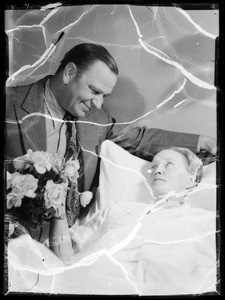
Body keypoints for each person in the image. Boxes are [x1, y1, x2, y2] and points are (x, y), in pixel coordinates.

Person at [5, 43, 216, 240]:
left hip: (69, 243)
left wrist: (202, 141)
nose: (98, 103)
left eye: (104, 96)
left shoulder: (97, 118)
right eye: (95, 91)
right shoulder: (9, 103)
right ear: (69, 73)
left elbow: (139, 138)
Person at [7, 146, 217, 295]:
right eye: (153, 166)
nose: (157, 170)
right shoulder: (118, 209)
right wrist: (59, 210)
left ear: (192, 179)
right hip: (79, 283)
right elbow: (65, 257)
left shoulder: (205, 224)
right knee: (18, 253)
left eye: (168, 164)